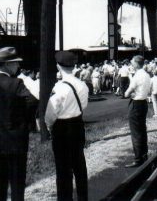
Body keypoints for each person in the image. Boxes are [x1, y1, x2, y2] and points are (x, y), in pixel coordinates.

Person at [0, 47, 38, 201]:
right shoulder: (16, 83)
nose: (18, 66)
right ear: (8, 64)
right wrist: (21, 119)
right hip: (15, 142)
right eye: (15, 63)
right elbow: (32, 101)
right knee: (16, 184)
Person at [45, 51, 89, 201]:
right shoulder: (82, 85)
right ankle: (83, 198)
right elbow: (83, 105)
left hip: (62, 129)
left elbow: (50, 115)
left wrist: (50, 127)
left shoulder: (59, 88)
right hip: (78, 124)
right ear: (74, 65)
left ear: (58, 66)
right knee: (79, 166)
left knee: (63, 170)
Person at [124, 55, 151, 168]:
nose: (131, 63)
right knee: (142, 129)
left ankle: (138, 159)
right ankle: (144, 155)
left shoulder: (137, 76)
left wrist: (131, 93)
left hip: (136, 104)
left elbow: (126, 93)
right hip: (143, 103)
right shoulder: (146, 75)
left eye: (131, 62)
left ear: (135, 63)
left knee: (135, 132)